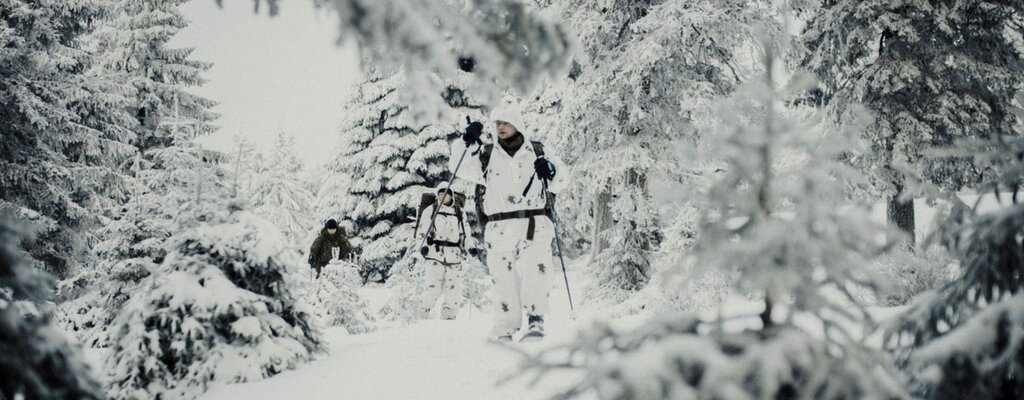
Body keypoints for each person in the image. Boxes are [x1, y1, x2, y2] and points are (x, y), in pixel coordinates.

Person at [449, 103, 569, 342]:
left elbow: (563, 178)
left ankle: (536, 319)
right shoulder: (484, 154)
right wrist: (466, 141)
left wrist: (551, 171)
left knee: (537, 269)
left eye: (505, 122)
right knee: (503, 278)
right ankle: (505, 327)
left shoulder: (537, 150)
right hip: (499, 227)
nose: (501, 127)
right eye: (497, 123)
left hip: (533, 222)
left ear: (517, 123)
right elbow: (457, 167)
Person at [414, 184, 469, 320]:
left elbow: (466, 232)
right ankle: (422, 313)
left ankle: (449, 317)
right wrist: (422, 247)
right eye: (440, 194)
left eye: (445, 194)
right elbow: (422, 231)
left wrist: (470, 246)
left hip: (454, 256)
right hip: (434, 254)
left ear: (451, 195)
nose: (442, 197)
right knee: (433, 287)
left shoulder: (459, 212)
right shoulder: (430, 210)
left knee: (453, 288)